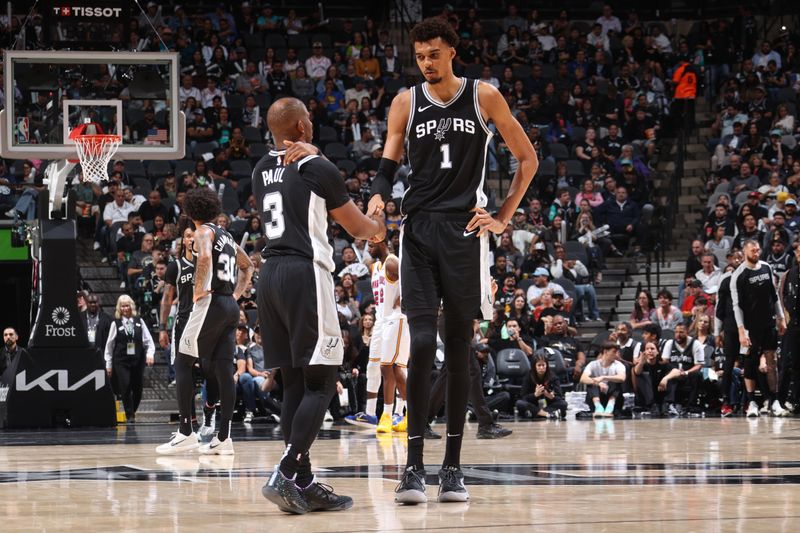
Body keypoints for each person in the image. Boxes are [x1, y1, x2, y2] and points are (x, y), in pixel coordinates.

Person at [366, 18, 538, 505]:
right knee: (421, 343)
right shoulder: (405, 101)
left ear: (452, 53)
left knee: (459, 349)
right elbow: (386, 165)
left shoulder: (484, 97)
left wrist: (503, 217)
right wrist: (378, 195)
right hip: (417, 231)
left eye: (434, 54)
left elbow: (528, 158)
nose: (426, 63)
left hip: (464, 232)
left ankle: (453, 470)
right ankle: (414, 467)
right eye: (420, 56)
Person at [254, 97, 385, 514]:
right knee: (323, 382)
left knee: (295, 382)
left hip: (269, 275)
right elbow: (359, 228)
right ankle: (287, 470)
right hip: (304, 274)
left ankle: (305, 481)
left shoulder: (259, 170)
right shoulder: (317, 167)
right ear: (302, 128)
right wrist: (380, 225)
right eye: (308, 119)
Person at [178, 188, 255, 454]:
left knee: (183, 362)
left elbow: (206, 257)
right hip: (230, 305)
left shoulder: (202, 233)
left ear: (190, 212)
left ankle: (186, 431)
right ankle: (223, 438)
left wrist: (199, 289)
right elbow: (249, 266)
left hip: (210, 302)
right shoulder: (227, 235)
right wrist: (236, 294)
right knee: (224, 371)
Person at [155, 219, 204, 453]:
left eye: (194, 235)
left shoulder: (206, 262)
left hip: (206, 321)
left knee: (211, 371)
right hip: (184, 322)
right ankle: (189, 424)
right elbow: (167, 298)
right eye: (187, 235)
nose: (191, 238)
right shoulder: (176, 265)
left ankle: (211, 421)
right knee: (183, 371)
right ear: (182, 241)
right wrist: (162, 327)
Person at [730, 240, 787, 417]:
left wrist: (781, 318)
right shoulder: (738, 275)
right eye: (752, 251)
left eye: (758, 250)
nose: (756, 253)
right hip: (749, 327)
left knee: (772, 361)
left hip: (768, 323)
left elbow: (774, 295)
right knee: (750, 363)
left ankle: (775, 400)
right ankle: (752, 402)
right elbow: (736, 306)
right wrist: (740, 330)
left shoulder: (766, 267)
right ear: (745, 251)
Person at [367, 239, 409, 434]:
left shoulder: (392, 261)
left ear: (380, 242)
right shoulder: (375, 266)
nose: (368, 248)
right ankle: (385, 414)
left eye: (370, 243)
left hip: (398, 317)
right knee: (382, 367)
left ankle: (397, 414)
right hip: (383, 320)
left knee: (393, 368)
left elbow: (412, 276)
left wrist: (404, 297)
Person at [103, 295, 155, 422]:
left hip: (137, 359)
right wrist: (108, 364)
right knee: (125, 386)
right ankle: (129, 415)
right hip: (121, 360)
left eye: (127, 305)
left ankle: (133, 411)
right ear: (119, 308)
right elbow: (109, 346)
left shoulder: (139, 321)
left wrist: (150, 354)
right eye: (122, 306)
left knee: (137, 388)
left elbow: (148, 341)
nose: (125, 308)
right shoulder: (115, 323)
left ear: (131, 306)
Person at [715, 251, 744, 417]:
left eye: (741, 257)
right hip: (731, 328)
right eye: (735, 257)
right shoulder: (725, 279)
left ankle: (748, 401)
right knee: (728, 363)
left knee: (749, 362)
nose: (738, 259)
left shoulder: (749, 277)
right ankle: (725, 401)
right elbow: (719, 308)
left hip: (748, 328)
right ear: (731, 260)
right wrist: (717, 332)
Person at [660, 324, 705, 416]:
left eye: (681, 332)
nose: (678, 335)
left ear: (687, 333)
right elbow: (665, 361)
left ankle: (691, 406)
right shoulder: (669, 343)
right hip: (672, 374)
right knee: (669, 372)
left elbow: (698, 365)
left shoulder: (695, 344)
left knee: (698, 375)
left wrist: (686, 372)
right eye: (676, 332)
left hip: (688, 374)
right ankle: (669, 404)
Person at [516, 351, 567, 419]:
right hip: (533, 405)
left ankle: (537, 414)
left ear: (547, 365)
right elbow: (523, 397)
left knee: (563, 404)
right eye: (539, 365)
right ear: (534, 366)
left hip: (548, 405)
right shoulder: (528, 376)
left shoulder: (553, 377)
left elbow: (559, 397)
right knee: (519, 403)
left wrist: (551, 397)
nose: (541, 368)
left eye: (543, 365)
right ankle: (548, 414)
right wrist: (535, 395)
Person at [579, 342, 626, 417]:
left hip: (614, 398)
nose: (616, 354)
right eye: (614, 352)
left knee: (614, 381)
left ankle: (610, 407)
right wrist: (598, 383)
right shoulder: (593, 364)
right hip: (597, 397)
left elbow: (622, 378)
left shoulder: (618, 365)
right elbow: (582, 379)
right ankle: (598, 407)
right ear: (605, 352)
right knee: (592, 381)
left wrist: (604, 377)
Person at [633, 340, 679, 416]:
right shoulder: (642, 365)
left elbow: (677, 371)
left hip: (660, 390)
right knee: (642, 375)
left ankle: (666, 405)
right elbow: (637, 372)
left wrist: (665, 379)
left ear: (657, 352)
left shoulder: (662, 363)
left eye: (652, 349)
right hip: (647, 395)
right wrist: (641, 362)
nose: (649, 351)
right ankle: (652, 405)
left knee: (671, 376)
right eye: (647, 349)